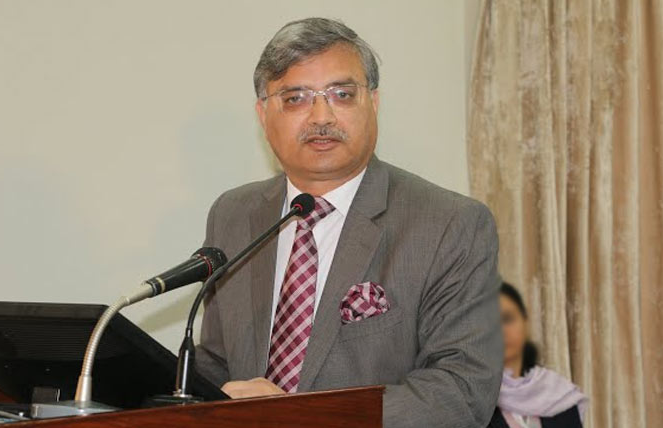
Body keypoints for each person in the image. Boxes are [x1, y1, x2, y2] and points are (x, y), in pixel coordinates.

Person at [195, 17, 502, 427]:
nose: (321, 116)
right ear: (263, 115)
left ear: (372, 103)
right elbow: (216, 363)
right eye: (296, 98)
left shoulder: (451, 224)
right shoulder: (233, 214)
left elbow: (461, 391)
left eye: (341, 94)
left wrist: (298, 418)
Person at [490, 282, 588, 428]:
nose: (501, 331)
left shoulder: (558, 395)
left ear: (525, 323)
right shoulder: (468, 401)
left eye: (507, 319)